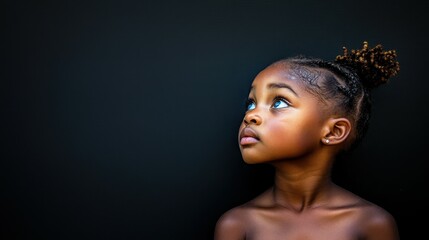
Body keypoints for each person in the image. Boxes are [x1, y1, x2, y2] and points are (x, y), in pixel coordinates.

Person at [214, 41, 400, 240]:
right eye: (251, 104)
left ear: (334, 132)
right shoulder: (237, 225)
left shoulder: (371, 224)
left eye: (279, 102)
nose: (251, 116)